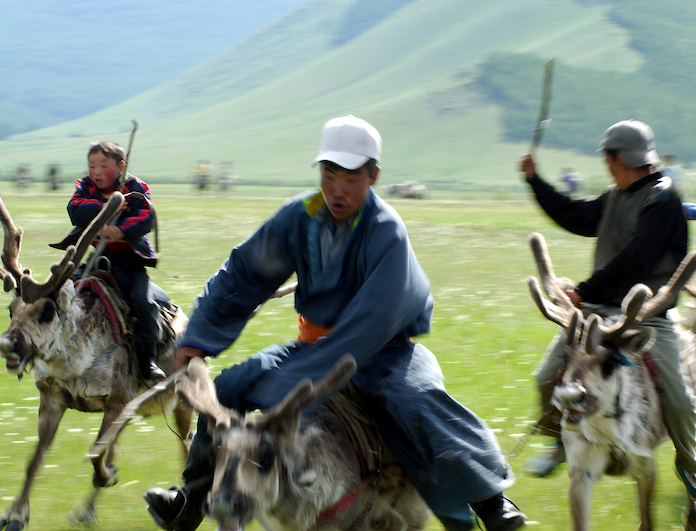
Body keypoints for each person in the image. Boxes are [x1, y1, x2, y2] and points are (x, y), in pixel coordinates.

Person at [144, 115, 526, 531]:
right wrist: (197, 338)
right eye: (329, 174)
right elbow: (243, 273)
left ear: (373, 175)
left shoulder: (387, 232)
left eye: (351, 177)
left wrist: (301, 375)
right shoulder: (300, 216)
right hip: (311, 347)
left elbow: (371, 322)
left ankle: (489, 498)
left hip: (385, 352)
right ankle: (194, 498)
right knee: (229, 387)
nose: (337, 189)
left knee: (414, 400)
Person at [519, 119, 696, 501]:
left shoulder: (662, 199)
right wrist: (535, 181)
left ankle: (690, 465)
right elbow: (574, 215)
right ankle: (559, 442)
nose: (606, 164)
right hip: (595, 311)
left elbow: (635, 261)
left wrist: (584, 291)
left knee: (678, 398)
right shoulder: (614, 195)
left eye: (607, 157)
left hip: (649, 315)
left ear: (617, 158)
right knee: (546, 378)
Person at [51, 140, 165, 381]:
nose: (97, 171)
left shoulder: (136, 187)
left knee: (142, 303)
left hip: (130, 262)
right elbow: (75, 209)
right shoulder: (85, 186)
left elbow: (146, 217)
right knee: (61, 288)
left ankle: (147, 359)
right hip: (98, 257)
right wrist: (109, 207)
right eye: (92, 165)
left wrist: (121, 230)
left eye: (104, 165)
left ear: (121, 166)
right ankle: (52, 344)